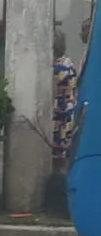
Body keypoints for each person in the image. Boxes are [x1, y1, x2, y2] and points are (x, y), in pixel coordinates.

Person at [54, 29, 79, 170]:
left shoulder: (57, 68)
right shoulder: (68, 62)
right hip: (68, 110)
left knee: (57, 152)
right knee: (64, 151)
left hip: (59, 113)